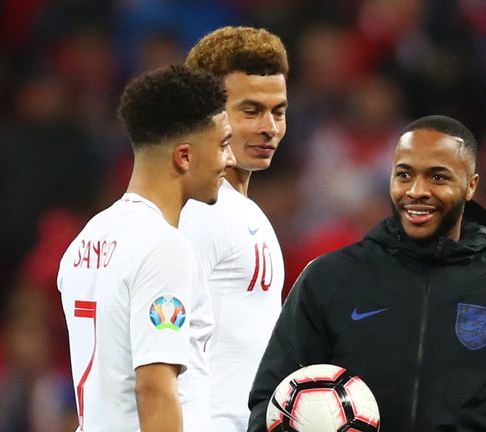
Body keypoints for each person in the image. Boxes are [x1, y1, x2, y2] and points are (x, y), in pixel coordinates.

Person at [248, 115, 486, 431]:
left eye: (437, 176)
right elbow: (271, 403)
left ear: (471, 186)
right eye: (405, 174)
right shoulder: (329, 279)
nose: (416, 191)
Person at [57, 64, 235, 432]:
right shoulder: (164, 249)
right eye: (222, 145)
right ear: (184, 156)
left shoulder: (85, 241)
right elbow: (154, 388)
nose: (229, 160)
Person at [177, 26, 289, 432]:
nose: (269, 128)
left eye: (278, 111)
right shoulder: (197, 211)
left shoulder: (242, 212)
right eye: (251, 110)